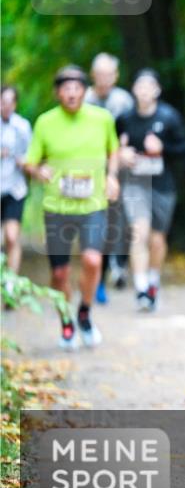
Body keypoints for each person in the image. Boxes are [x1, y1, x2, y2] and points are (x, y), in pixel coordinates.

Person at [23, 65, 120, 349]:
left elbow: (112, 149)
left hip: (93, 204)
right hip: (57, 207)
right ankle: (66, 321)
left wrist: (112, 176)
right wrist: (38, 171)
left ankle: (85, 312)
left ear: (85, 91)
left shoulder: (102, 119)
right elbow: (31, 161)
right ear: (57, 93)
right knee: (60, 273)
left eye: (77, 88)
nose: (72, 93)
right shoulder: (45, 122)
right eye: (66, 89)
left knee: (92, 260)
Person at [116, 69, 185, 311]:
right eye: (140, 86)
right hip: (135, 183)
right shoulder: (125, 118)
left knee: (157, 240)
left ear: (157, 90)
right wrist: (120, 153)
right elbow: (112, 148)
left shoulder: (169, 117)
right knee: (139, 232)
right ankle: (141, 288)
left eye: (149, 86)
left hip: (162, 184)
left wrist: (162, 147)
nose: (144, 91)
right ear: (134, 90)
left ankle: (153, 280)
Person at [84, 52, 134, 302]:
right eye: (100, 74)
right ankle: (99, 279)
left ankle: (119, 265)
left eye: (109, 74)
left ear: (116, 76)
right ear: (93, 75)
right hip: (90, 171)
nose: (104, 79)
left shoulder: (124, 101)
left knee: (120, 222)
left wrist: (126, 150)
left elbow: (133, 131)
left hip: (121, 172)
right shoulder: (83, 100)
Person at [1, 85, 33, 285]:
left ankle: (11, 283)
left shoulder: (22, 126)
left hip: (15, 188)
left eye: (10, 102)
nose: (6, 106)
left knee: (12, 237)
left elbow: (33, 156)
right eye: (2, 102)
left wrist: (25, 162)